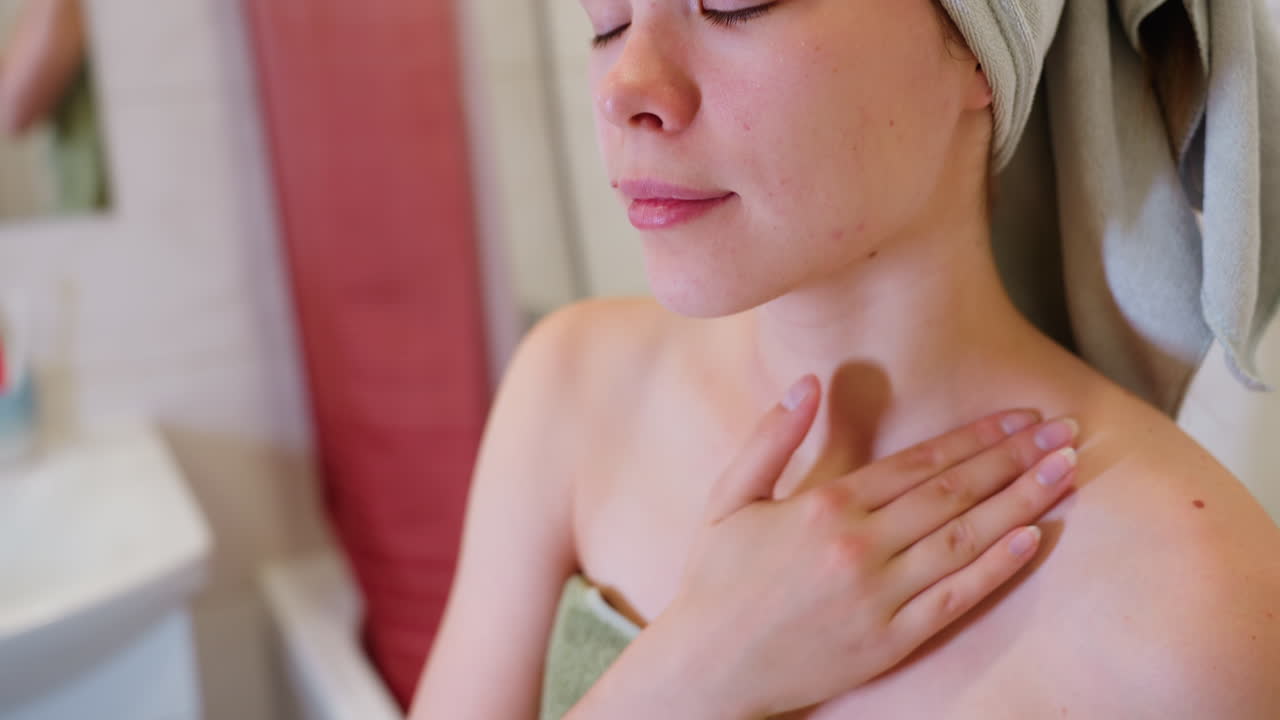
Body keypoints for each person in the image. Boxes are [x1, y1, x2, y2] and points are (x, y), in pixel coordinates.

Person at [412, 1, 1280, 717]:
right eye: (606, 20)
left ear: (980, 52)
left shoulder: (1197, 610)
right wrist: (688, 678)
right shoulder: (572, 392)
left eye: (732, 3)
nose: (626, 88)